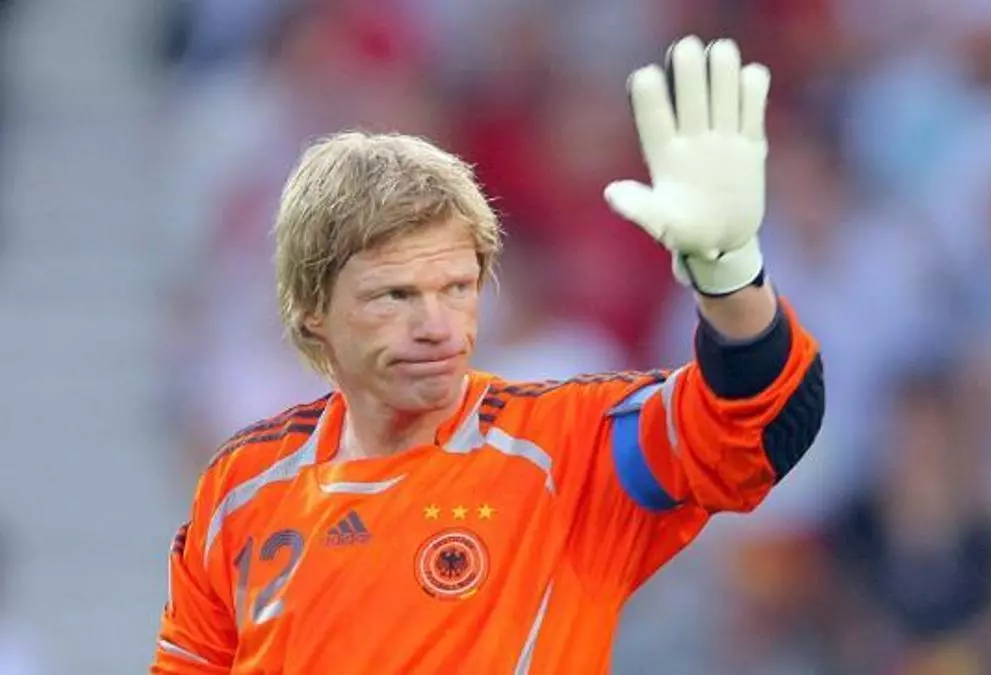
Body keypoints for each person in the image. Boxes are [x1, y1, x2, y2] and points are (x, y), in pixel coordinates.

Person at [150, 35, 825, 674]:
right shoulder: (244, 486)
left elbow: (756, 425)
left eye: (453, 286)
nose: (430, 324)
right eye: (391, 293)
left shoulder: (565, 448)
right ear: (315, 311)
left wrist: (729, 275)